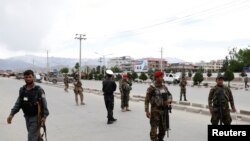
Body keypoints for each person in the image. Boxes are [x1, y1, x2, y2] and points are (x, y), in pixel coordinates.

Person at [7, 70, 49, 141]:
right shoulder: (22, 90)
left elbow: (44, 104)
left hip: (36, 118)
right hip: (27, 117)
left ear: (33, 77)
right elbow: (18, 103)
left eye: (30, 77)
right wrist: (11, 114)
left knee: (31, 137)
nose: (28, 79)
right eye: (26, 77)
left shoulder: (39, 90)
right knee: (35, 136)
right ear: (24, 78)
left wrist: (44, 117)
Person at [145, 71, 173, 141]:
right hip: (155, 111)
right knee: (154, 128)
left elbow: (170, 95)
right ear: (156, 78)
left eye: (162, 76)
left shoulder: (164, 87)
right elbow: (147, 100)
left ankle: (160, 139)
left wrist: (169, 101)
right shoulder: (152, 87)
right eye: (160, 77)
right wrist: (147, 111)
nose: (162, 78)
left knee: (163, 128)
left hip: (164, 111)